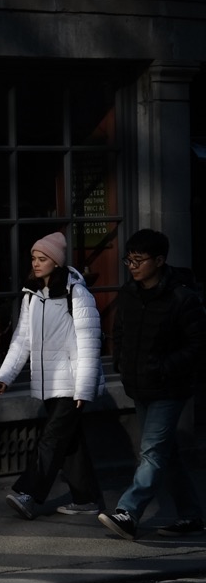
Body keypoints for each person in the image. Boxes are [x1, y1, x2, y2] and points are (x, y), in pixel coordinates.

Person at [99, 229, 206, 540]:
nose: (132, 266)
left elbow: (198, 345)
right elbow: (120, 331)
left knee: (152, 451)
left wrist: (164, 366)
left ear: (159, 261)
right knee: (165, 452)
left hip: (170, 389)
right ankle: (191, 515)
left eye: (139, 260)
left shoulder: (182, 298)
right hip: (140, 386)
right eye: (128, 260)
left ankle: (128, 512)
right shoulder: (129, 293)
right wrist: (121, 362)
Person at [0, 232, 104, 520]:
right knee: (69, 442)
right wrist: (5, 375)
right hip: (48, 385)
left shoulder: (76, 293)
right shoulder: (32, 296)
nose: (36, 263)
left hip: (71, 384)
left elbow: (89, 343)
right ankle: (87, 499)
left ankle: (29, 494)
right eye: (34, 258)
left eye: (43, 259)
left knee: (51, 439)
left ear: (57, 262)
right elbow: (22, 340)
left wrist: (84, 389)